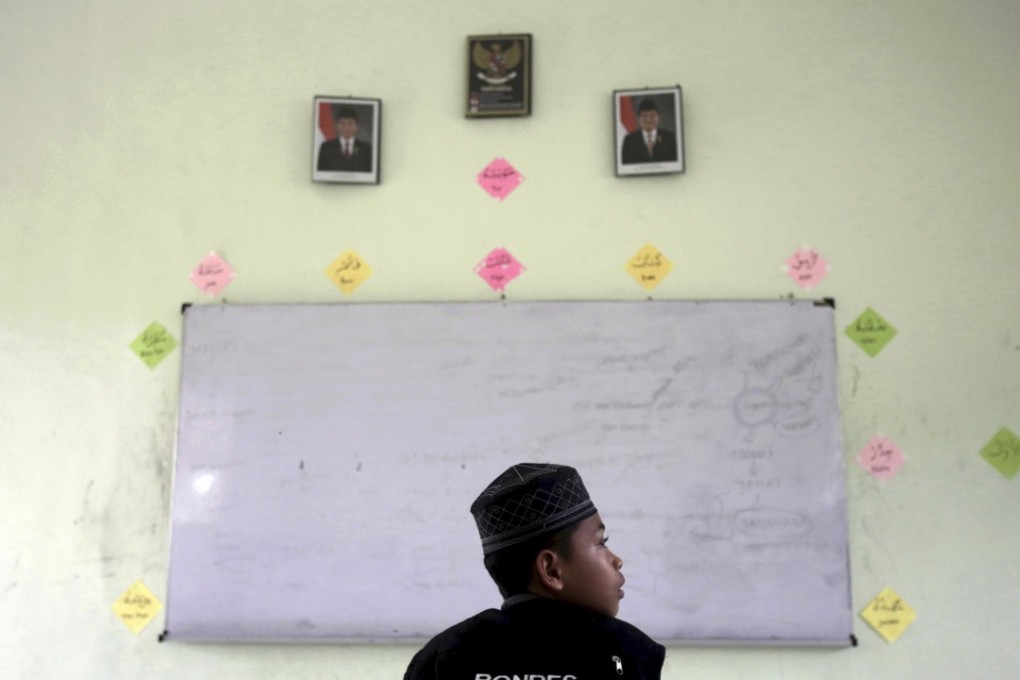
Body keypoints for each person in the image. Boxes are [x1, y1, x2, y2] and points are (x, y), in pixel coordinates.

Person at [404, 463, 666, 680]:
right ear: (551, 570)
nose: (616, 561)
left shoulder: (442, 655)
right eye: (601, 543)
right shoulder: (628, 652)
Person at [621, 98, 678, 165]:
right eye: (644, 116)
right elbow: (625, 165)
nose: (648, 119)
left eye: (652, 115)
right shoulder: (629, 140)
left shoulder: (669, 138)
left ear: (659, 118)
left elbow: (675, 163)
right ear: (638, 119)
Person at [317, 106, 373, 172]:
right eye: (342, 123)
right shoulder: (326, 148)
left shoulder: (366, 149)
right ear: (337, 125)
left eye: (350, 123)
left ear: (357, 126)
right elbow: (320, 172)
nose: (346, 127)